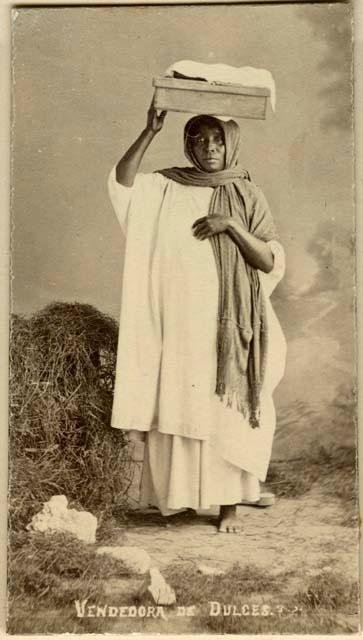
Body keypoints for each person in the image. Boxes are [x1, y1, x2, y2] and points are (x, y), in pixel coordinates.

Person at [108, 101, 286, 533]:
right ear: (187, 145)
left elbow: (267, 259)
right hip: (180, 319)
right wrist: (148, 132)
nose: (209, 148)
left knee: (226, 407)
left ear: (231, 144)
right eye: (199, 139)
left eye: (218, 139)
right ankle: (183, 498)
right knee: (183, 400)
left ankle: (228, 506)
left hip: (231, 322)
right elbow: (122, 185)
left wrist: (230, 225)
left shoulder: (247, 193)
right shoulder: (166, 186)